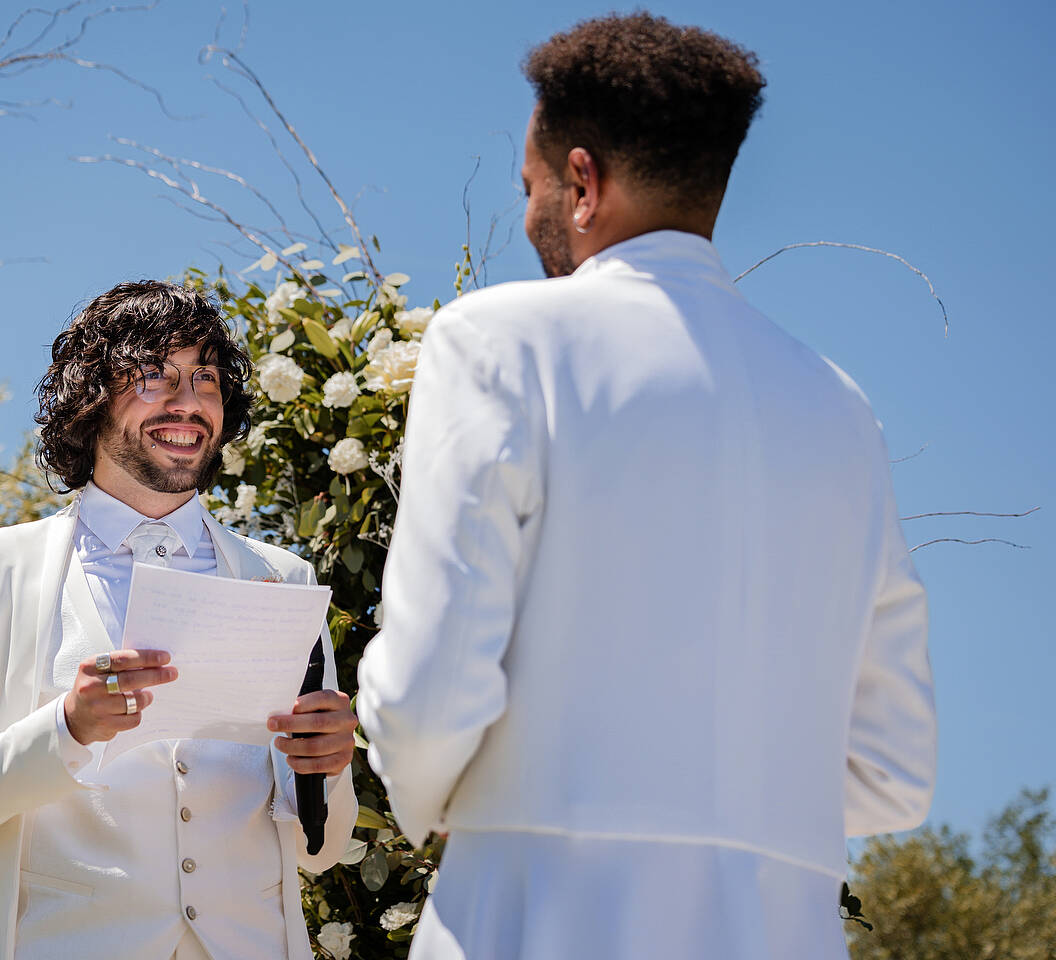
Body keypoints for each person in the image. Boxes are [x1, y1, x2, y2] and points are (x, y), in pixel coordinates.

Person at [356, 13, 937, 959]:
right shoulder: (841, 408)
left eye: (533, 186)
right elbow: (896, 768)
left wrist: (455, 797)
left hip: (532, 911)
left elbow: (429, 689)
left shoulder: (498, 341)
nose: (532, 209)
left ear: (583, 183)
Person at [0, 280, 357, 960]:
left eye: (205, 379)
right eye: (155, 376)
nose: (188, 401)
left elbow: (321, 851)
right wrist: (67, 729)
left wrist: (330, 766)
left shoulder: (283, 579)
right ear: (90, 400)